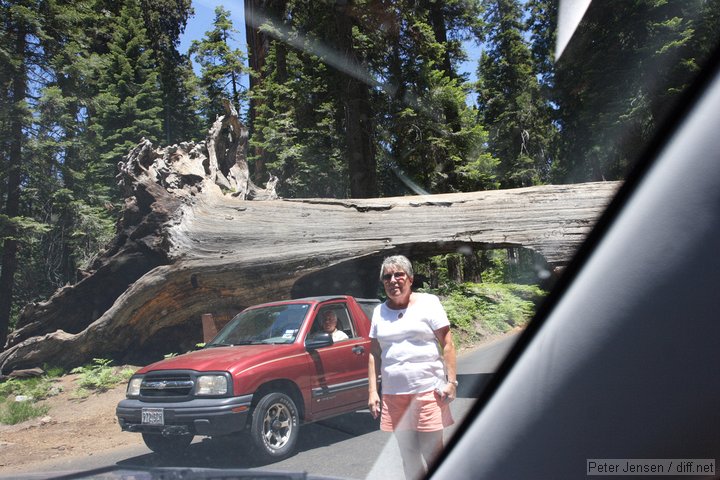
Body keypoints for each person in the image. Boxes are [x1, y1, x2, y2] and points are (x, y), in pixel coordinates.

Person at [368, 255, 457, 480]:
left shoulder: (428, 302)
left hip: (427, 391)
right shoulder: (379, 312)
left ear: (410, 278)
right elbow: (374, 353)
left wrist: (452, 383)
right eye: (387, 276)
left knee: (433, 453)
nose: (393, 280)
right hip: (394, 395)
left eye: (399, 274)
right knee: (408, 455)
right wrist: (372, 391)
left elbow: (447, 343)